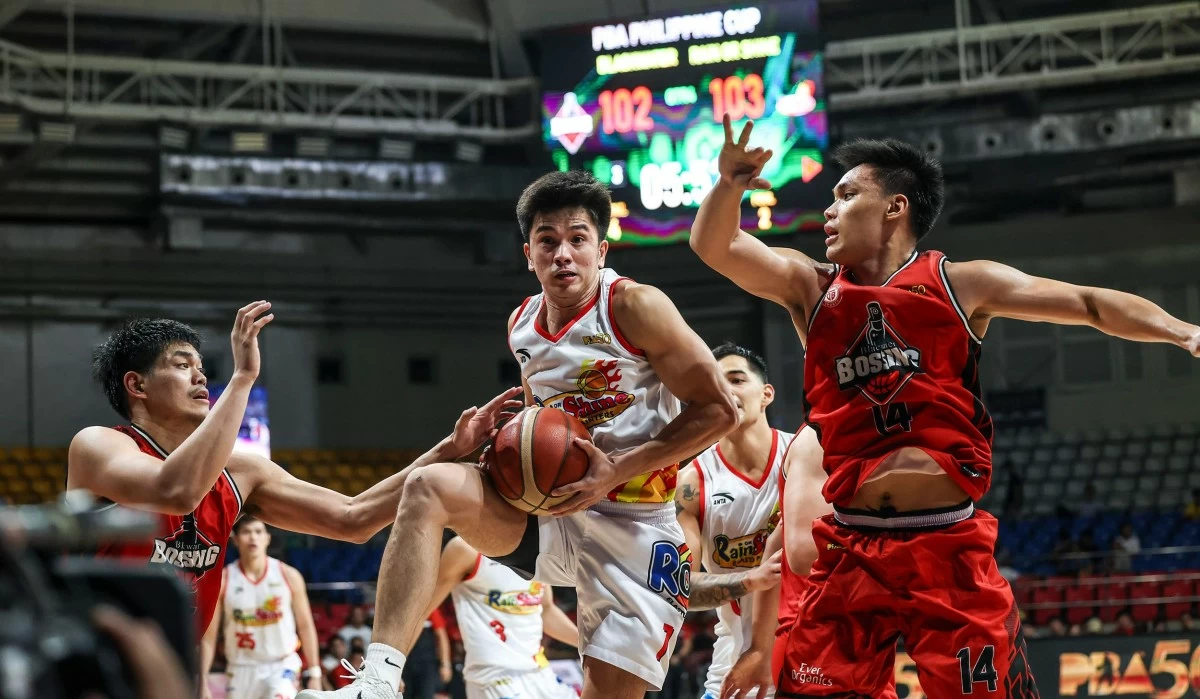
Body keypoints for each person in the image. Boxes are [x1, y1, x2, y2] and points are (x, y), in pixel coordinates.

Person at [691, 115, 1200, 696]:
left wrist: (1186, 333)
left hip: (946, 544)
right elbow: (717, 246)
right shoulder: (811, 286)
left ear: (895, 207)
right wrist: (729, 185)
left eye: (846, 195)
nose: (828, 211)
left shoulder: (960, 283)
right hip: (852, 547)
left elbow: (1089, 303)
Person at [298, 170, 741, 699]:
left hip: (637, 527)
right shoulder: (522, 324)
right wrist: (501, 443)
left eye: (577, 239)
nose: (563, 255)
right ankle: (378, 681)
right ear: (528, 254)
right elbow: (540, 427)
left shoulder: (634, 306)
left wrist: (615, 470)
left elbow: (720, 410)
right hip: (554, 515)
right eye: (547, 241)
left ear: (601, 250)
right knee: (429, 485)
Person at [69, 304, 522, 638]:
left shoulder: (240, 472)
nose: (201, 377)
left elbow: (353, 518)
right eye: (183, 365)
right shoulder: (98, 446)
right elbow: (177, 491)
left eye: (202, 368)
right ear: (137, 385)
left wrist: (450, 449)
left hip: (171, 671)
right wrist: (243, 378)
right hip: (91, 669)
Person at [674, 342, 791, 699]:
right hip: (735, 664)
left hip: (810, 656)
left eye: (737, 380)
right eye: (716, 384)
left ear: (766, 394)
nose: (726, 391)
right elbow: (681, 587)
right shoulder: (690, 484)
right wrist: (751, 580)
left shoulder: (801, 456)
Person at [419, 535, 578, 699]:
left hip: (540, 670)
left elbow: (545, 609)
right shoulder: (466, 549)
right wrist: (400, 665)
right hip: (495, 678)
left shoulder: (540, 547)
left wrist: (585, 645)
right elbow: (420, 613)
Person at [199, 516, 322, 699]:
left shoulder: (288, 575)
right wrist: (202, 679)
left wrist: (314, 673)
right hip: (240, 668)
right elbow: (209, 637)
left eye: (258, 532)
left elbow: (306, 626)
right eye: (246, 532)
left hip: (281, 664)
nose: (253, 537)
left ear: (267, 538)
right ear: (235, 540)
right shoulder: (223, 580)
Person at [401, 610, 454, 699]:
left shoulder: (429, 609)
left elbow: (441, 636)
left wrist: (445, 664)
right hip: (405, 664)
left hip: (427, 664)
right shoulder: (402, 611)